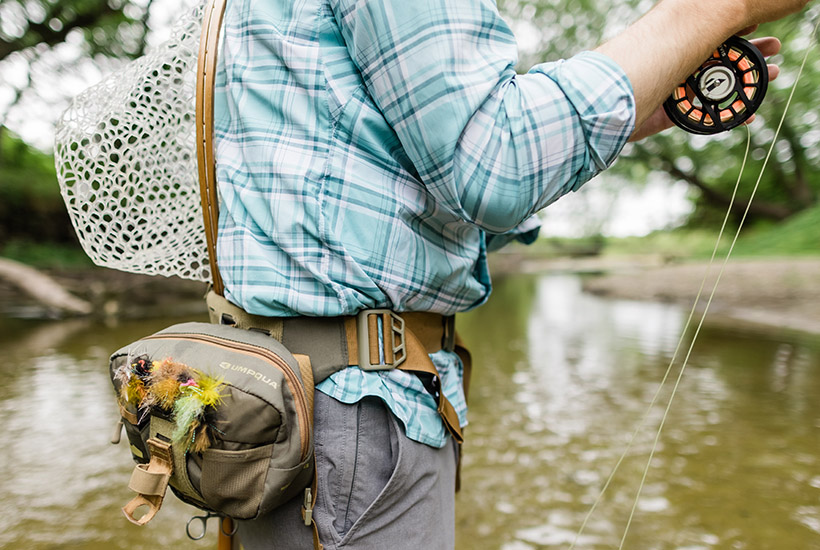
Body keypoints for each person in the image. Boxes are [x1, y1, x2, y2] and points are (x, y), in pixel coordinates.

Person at [210, 0, 809, 548]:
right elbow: (495, 168)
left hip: (295, 400)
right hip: (350, 415)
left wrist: (619, 121)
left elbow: (436, 214)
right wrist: (713, 10)